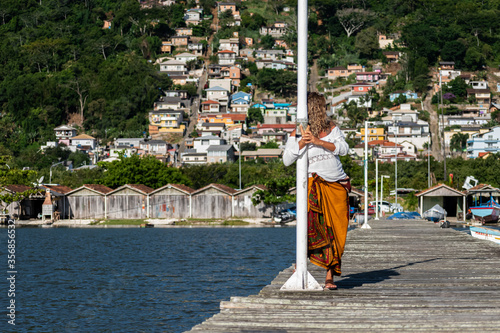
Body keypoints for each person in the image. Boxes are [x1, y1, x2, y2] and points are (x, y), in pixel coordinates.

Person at [283, 92, 350, 290]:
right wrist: (303, 141)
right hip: (312, 186)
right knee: (311, 226)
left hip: (336, 183)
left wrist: (318, 141)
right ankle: (300, 266)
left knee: (336, 232)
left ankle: (330, 276)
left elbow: (344, 149)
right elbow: (287, 159)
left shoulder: (331, 128)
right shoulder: (297, 132)